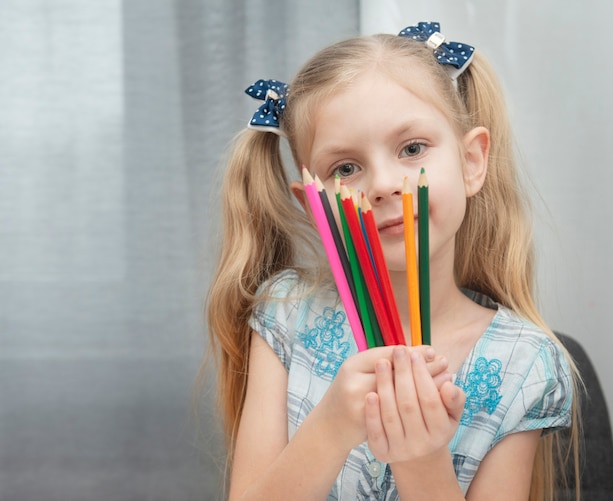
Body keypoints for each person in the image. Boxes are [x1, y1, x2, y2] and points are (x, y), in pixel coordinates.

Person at [203, 21, 581, 500]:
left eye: (412, 148)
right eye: (345, 168)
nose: (383, 184)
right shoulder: (285, 316)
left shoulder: (524, 363)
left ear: (472, 162)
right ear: (313, 206)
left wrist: (421, 461)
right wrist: (331, 428)